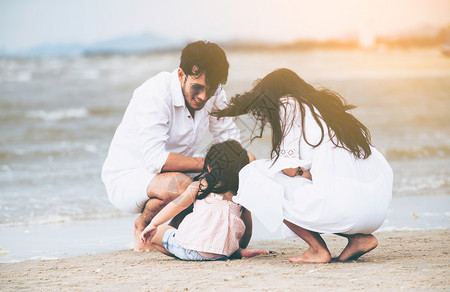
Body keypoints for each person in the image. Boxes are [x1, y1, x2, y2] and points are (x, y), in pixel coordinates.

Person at [213, 68, 393, 263]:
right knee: (293, 184)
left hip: (348, 209)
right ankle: (357, 239)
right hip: (373, 209)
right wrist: (305, 173)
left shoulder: (287, 105)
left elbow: (288, 169)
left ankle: (317, 249)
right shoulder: (321, 108)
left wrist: (302, 173)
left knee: (254, 174)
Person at [101, 41, 241, 251]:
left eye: (210, 90)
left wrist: (237, 166)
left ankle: (179, 235)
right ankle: (142, 226)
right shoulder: (155, 93)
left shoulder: (214, 93)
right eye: (197, 88)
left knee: (240, 165)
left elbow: (229, 138)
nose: (203, 96)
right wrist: (209, 165)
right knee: (184, 186)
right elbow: (155, 159)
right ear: (181, 75)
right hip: (129, 176)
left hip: (177, 172)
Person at [140, 140, 268, 260]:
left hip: (192, 250)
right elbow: (248, 229)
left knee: (155, 235)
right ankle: (236, 251)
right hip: (223, 253)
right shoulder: (241, 195)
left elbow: (175, 206)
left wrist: (153, 224)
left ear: (209, 167)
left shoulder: (200, 186)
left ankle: (185, 252)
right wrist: (239, 248)